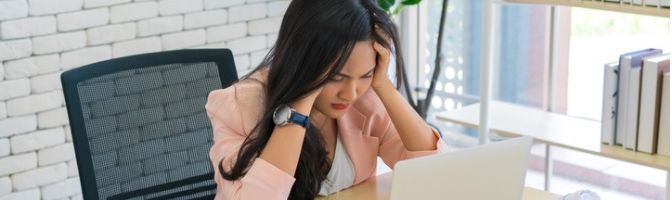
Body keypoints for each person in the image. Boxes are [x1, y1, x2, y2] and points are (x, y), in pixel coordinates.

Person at [205, 0, 448, 199]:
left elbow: (434, 173)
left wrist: (383, 85)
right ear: (302, 61)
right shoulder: (237, 106)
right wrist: (301, 101)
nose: (351, 93)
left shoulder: (366, 99)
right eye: (336, 77)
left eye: (365, 75)